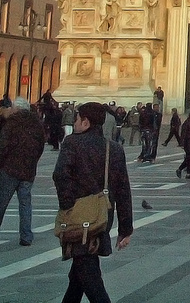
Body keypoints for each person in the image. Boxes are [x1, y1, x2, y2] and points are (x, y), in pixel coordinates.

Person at [52, 102, 132, 303]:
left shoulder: (72, 143)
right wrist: (125, 228)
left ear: (86, 122)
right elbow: (123, 190)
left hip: (80, 217)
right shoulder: (114, 149)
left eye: (77, 119)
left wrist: (68, 205)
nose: (75, 123)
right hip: (102, 216)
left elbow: (60, 175)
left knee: (89, 274)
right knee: (79, 273)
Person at [0, 98, 46, 246]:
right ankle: (26, 236)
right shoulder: (37, 124)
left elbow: (2, 147)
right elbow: (40, 146)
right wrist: (33, 162)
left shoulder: (12, 123)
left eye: (13, 107)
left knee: (1, 203)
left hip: (11, 169)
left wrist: (0, 167)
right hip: (28, 169)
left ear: (17, 109)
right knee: (25, 204)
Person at [176, 112, 190, 180]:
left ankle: (189, 173)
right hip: (188, 143)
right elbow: (183, 134)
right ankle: (180, 169)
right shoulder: (187, 123)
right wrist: (182, 143)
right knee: (189, 158)